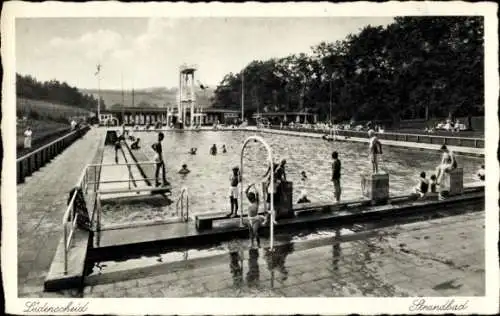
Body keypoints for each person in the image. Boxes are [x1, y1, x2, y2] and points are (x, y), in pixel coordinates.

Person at [245, 184, 264, 248]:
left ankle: (258, 244)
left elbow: (257, 193)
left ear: (253, 198)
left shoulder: (256, 202)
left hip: (255, 219)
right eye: (250, 199)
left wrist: (254, 187)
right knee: (250, 232)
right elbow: (246, 192)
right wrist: (249, 186)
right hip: (249, 218)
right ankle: (251, 243)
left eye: (251, 199)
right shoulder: (249, 201)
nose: (250, 200)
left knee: (255, 232)